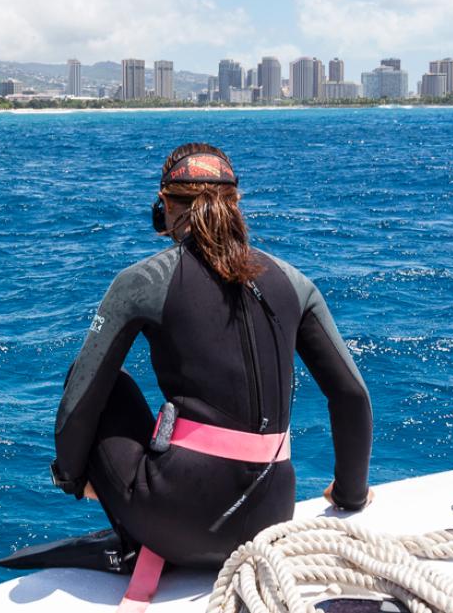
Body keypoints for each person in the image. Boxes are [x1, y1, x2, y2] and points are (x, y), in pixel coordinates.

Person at [50, 143, 373, 611]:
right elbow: (351, 396)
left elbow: (78, 407)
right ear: (237, 203)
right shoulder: (294, 281)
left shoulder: (143, 280)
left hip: (175, 524)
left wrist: (72, 476)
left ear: (164, 206)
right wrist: (350, 494)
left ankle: (122, 515)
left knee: (102, 382)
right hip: (270, 519)